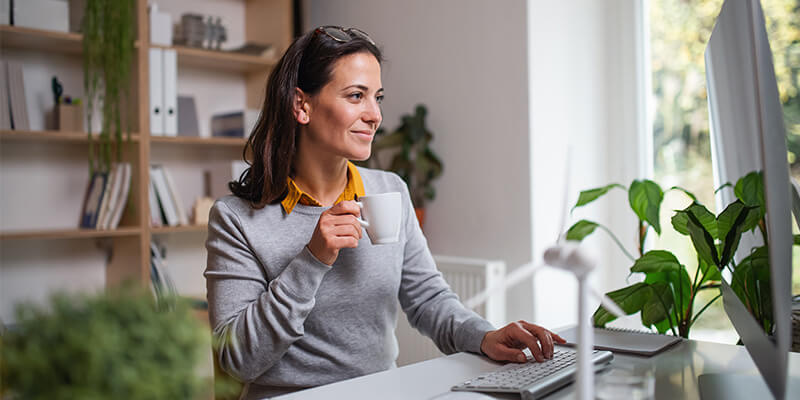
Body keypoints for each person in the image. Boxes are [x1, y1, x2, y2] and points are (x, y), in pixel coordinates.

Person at [205, 26, 566, 399]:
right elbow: (237, 359)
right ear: (302, 105)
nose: (374, 115)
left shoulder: (389, 190)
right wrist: (311, 260)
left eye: (377, 97)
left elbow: (427, 299)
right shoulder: (235, 219)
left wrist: (485, 336)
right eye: (356, 96)